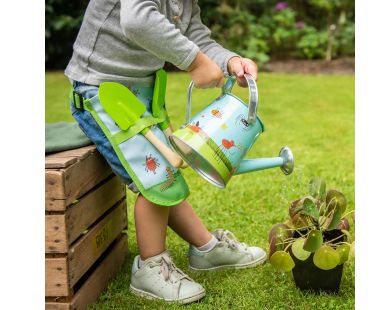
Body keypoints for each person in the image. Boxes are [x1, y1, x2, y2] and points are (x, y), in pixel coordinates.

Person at [65, 0, 266, 304]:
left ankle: (206, 248)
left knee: (165, 172)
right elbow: (137, 19)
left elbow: (195, 33)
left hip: (140, 93)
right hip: (101, 92)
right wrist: (196, 63)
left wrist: (228, 60)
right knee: (156, 177)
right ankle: (151, 265)